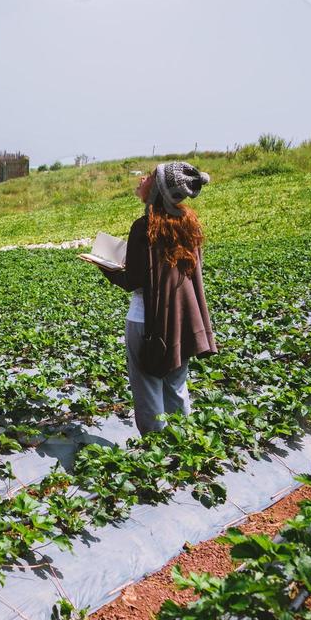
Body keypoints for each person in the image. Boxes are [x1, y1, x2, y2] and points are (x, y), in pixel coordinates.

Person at [80, 161, 217, 435]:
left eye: (150, 176)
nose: (142, 178)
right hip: (181, 321)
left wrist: (102, 264)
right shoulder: (188, 223)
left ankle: (157, 456)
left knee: (149, 394)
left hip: (147, 324)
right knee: (176, 388)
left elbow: (133, 281)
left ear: (156, 190)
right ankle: (183, 444)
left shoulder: (144, 227)